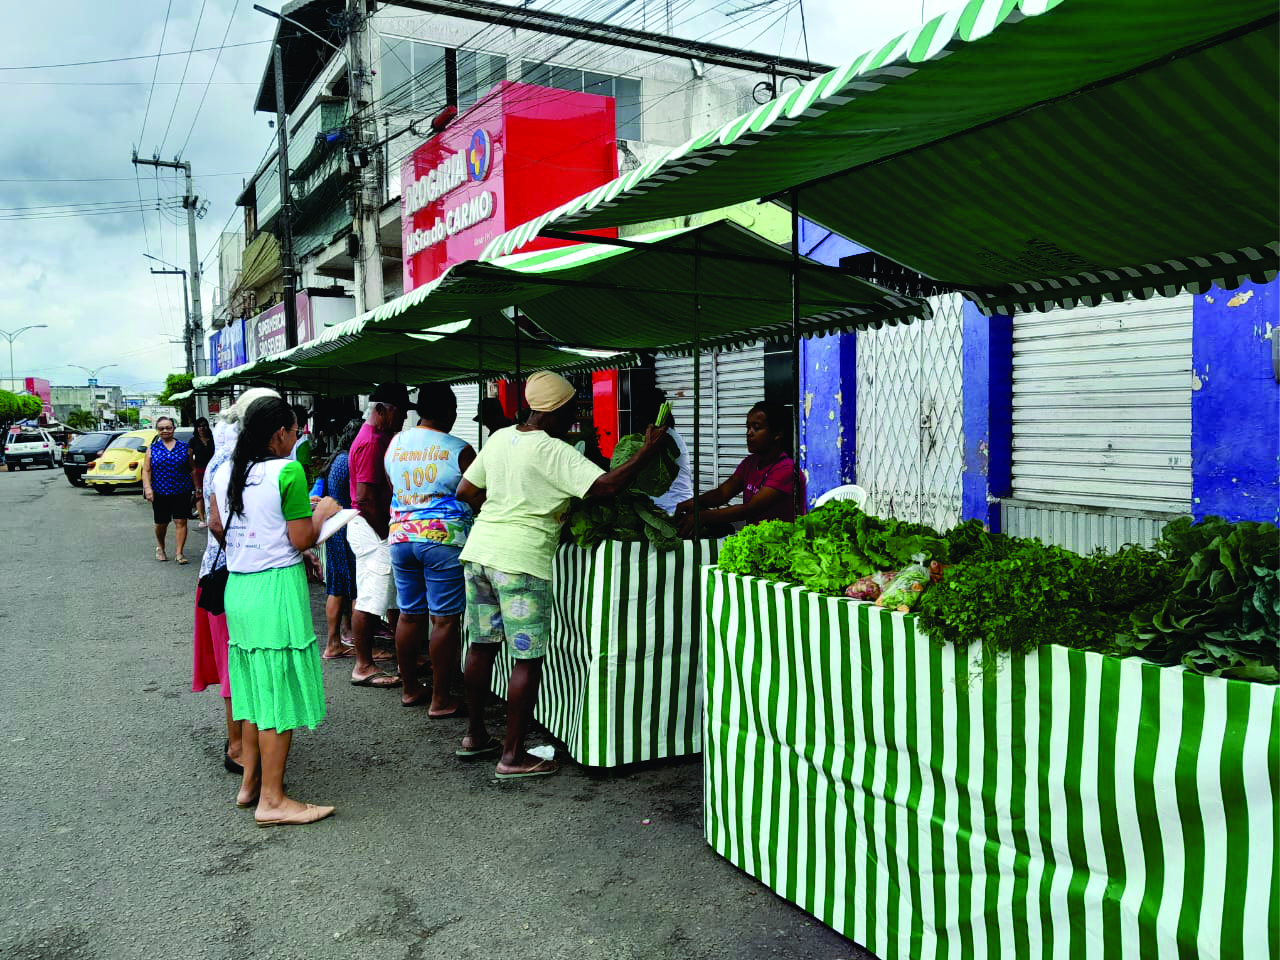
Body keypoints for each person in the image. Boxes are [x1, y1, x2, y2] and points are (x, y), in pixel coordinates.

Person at [455, 370, 669, 778]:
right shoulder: (554, 451)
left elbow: (466, 491)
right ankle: (513, 756)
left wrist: (500, 511)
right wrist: (647, 449)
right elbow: (605, 487)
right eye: (571, 408)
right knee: (527, 658)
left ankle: (475, 735)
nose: (574, 416)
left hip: (481, 552)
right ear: (553, 409)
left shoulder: (499, 437)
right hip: (521, 560)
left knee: (481, 646)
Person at [208, 396, 341, 827]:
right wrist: (324, 512)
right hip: (275, 590)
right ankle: (273, 799)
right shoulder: (288, 471)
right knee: (277, 696)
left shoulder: (226, 470)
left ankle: (250, 786)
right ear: (280, 432)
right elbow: (302, 539)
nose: (296, 438)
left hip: (240, 587)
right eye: (295, 431)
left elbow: (214, 524)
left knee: (250, 692)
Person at [192, 387, 280, 776]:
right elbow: (217, 523)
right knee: (239, 663)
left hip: (220, 571)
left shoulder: (225, 460)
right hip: (234, 574)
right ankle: (239, 748)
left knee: (238, 661)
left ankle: (243, 745)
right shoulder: (238, 461)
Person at [384, 382, 474, 713]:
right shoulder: (459, 449)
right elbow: (477, 494)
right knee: (444, 620)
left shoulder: (395, 444)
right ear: (450, 411)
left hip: (401, 538)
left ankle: (410, 690)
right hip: (442, 540)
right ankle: (440, 698)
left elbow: (394, 486)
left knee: (409, 614)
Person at [347, 383, 410, 688]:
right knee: (371, 598)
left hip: (377, 525)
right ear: (381, 410)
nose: (403, 420)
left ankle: (404, 657)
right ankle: (363, 665)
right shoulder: (372, 441)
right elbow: (364, 497)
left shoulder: (382, 437)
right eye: (399, 413)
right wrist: (386, 532)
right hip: (372, 527)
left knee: (393, 598)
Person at [673, 400, 805, 537]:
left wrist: (704, 516)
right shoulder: (751, 463)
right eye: (748, 427)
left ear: (777, 433)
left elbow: (750, 509)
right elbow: (722, 493)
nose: (749, 433)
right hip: (756, 540)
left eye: (756, 427)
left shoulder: (786, 469)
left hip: (781, 544)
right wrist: (694, 502)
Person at [315, 418, 361, 660]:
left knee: (337, 588)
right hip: (346, 529)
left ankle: (335, 641)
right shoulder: (348, 460)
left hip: (335, 530)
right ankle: (357, 644)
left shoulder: (336, 459)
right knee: (354, 589)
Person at [143, 416, 194, 564]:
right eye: (161, 428)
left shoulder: (185, 447)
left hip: (181, 490)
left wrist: (197, 488)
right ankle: (161, 547)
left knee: (181, 520)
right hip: (160, 491)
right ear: (157, 430)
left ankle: (179, 553)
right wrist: (148, 489)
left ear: (173, 428)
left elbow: (192, 469)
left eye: (168, 427)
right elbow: (146, 470)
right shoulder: (153, 448)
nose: (165, 431)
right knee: (161, 522)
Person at [637, 388, 694, 516]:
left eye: (641, 413)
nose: (637, 418)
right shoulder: (660, 437)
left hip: (672, 509)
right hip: (669, 506)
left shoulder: (663, 438)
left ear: (651, 415)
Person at [189, 417, 215, 528]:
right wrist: (192, 470)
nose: (202, 428)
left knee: (213, 493)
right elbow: (189, 458)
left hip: (213, 470)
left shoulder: (213, 439)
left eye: (204, 425)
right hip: (199, 470)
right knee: (199, 493)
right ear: (196, 428)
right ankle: (202, 519)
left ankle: (213, 517)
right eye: (199, 426)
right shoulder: (193, 441)